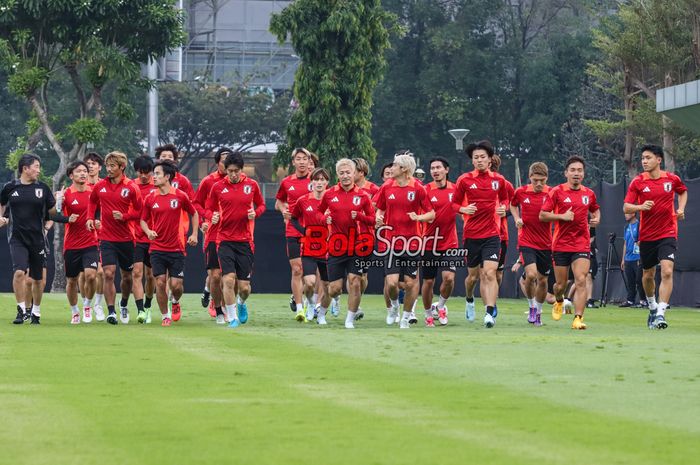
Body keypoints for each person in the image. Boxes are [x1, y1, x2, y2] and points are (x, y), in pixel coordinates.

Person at [623, 144, 687, 329]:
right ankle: (651, 307)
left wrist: (680, 209)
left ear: (659, 160)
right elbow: (626, 207)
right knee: (648, 275)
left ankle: (660, 313)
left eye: (648, 157)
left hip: (667, 233)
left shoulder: (671, 179)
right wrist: (640, 207)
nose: (644, 161)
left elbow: (682, 191)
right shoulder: (638, 182)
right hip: (647, 236)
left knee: (667, 271)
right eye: (643, 158)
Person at [452, 140, 508, 328]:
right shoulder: (464, 179)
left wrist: (503, 208)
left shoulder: (498, 180)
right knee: (473, 277)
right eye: (476, 157)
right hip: (471, 235)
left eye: (483, 157)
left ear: (490, 159)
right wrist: (463, 209)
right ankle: (469, 299)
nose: (479, 160)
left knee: (490, 273)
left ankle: (490, 312)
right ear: (472, 161)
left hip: (492, 235)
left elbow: (507, 200)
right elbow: (454, 204)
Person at [540, 155, 600, 330]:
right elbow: (543, 215)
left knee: (581, 279)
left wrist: (596, 219)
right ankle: (559, 300)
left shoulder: (589, 194)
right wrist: (562, 217)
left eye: (579, 170)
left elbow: (595, 209)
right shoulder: (556, 192)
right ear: (566, 173)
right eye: (573, 170)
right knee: (561, 285)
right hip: (560, 244)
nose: (576, 173)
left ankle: (578, 319)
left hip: (581, 243)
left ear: (583, 173)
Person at [206, 152, 265, 328]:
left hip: (245, 240)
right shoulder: (217, 187)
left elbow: (261, 205)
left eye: (236, 171)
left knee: (245, 287)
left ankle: (241, 302)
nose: (232, 174)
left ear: (241, 169)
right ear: (225, 169)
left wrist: (256, 213)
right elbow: (208, 209)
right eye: (229, 171)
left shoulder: (252, 185)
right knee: (228, 279)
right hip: (224, 240)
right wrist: (212, 216)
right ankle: (232, 318)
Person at [375, 154, 434, 329]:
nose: (390, 168)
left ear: (404, 169)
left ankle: (406, 317)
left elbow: (431, 214)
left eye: (394, 166)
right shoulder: (386, 187)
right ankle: (394, 307)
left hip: (413, 244)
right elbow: (379, 209)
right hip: (391, 243)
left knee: (410, 283)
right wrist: (378, 218)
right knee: (392, 283)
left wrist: (419, 217)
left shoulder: (418, 188)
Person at [87, 151, 143, 325]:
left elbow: (140, 211)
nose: (108, 169)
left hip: (127, 238)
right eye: (107, 166)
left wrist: (125, 216)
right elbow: (92, 202)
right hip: (106, 238)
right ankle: (111, 312)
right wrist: (90, 218)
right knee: (108, 274)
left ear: (122, 167)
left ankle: (124, 304)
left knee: (127, 277)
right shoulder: (100, 186)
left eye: (112, 166)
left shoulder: (131, 187)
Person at [317, 158, 374, 329]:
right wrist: (323, 218)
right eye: (341, 173)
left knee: (355, 281)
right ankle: (323, 311)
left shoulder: (363, 196)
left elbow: (372, 220)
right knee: (334, 288)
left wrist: (361, 217)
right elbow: (318, 214)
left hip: (356, 246)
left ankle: (349, 320)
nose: (345, 175)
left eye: (348, 172)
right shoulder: (329, 194)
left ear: (354, 173)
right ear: (337, 175)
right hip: (336, 245)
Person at [140, 161, 199, 326]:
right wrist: (148, 231)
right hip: (157, 248)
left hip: (177, 248)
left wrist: (194, 234)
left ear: (167, 177)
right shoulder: (150, 197)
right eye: (154, 173)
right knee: (159, 281)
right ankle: (165, 316)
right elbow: (143, 220)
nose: (154, 177)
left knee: (176, 285)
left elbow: (194, 214)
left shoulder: (180, 195)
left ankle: (175, 300)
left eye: (157, 174)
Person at [0, 154, 57, 324]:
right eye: (36, 166)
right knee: (19, 273)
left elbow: (52, 212)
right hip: (17, 238)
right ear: (25, 168)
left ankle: (36, 311)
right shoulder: (9, 187)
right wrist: (1, 217)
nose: (38, 171)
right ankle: (21, 310)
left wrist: (50, 223)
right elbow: (2, 203)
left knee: (37, 279)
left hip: (38, 239)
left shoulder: (43, 188)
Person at [53, 161, 99, 324]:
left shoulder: (94, 192)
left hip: (90, 242)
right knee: (72, 280)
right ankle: (75, 311)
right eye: (79, 171)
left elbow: (100, 211)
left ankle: (87, 305)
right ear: (71, 175)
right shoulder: (67, 194)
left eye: (85, 171)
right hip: (71, 244)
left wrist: (97, 221)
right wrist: (60, 203)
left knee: (91, 276)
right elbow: (53, 215)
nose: (83, 173)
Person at [510, 162, 551, 326]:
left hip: (546, 243)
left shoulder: (552, 193)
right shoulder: (520, 192)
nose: (539, 184)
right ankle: (532, 306)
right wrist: (517, 218)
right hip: (527, 241)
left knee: (542, 280)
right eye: (535, 180)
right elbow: (512, 205)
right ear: (530, 178)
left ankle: (539, 311)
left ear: (546, 178)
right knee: (531, 275)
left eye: (542, 180)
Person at [421, 157, 459, 326]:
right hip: (429, 243)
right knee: (428, 281)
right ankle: (428, 314)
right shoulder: (425, 190)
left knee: (449, 278)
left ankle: (441, 306)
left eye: (438, 168)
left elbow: (464, 207)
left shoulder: (456, 190)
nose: (435, 171)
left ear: (446, 170)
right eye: (432, 168)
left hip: (450, 243)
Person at [275, 148, 312, 320]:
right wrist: (283, 210)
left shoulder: (317, 180)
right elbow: (278, 202)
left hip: (314, 232)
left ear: (309, 161)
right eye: (299, 159)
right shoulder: (287, 182)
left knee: (311, 275)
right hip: (293, 229)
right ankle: (299, 309)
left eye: (305, 158)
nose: (302, 162)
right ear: (293, 162)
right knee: (297, 270)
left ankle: (308, 302)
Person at [291, 167, 332, 324]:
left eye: (323, 179)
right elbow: (294, 219)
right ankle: (310, 304)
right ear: (312, 182)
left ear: (327, 182)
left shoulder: (333, 199)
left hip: (329, 249)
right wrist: (304, 231)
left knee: (329, 287)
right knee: (309, 283)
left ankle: (321, 314)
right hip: (309, 248)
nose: (319, 182)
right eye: (316, 179)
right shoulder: (303, 201)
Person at [194, 147, 229, 321]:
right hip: (212, 234)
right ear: (217, 163)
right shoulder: (208, 182)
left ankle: (214, 296)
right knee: (215, 274)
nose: (228, 164)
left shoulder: (242, 182)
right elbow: (196, 204)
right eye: (224, 160)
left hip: (233, 235)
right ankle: (217, 304)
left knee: (228, 276)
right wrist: (205, 220)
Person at [132, 155, 157, 323]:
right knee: (136, 273)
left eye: (146, 172)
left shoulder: (158, 187)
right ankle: (140, 310)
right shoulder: (132, 186)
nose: (143, 176)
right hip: (135, 236)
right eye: (141, 172)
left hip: (153, 237)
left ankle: (148, 305)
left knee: (151, 275)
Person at [83, 151, 105, 317]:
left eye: (93, 163)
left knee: (100, 272)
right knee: (82, 276)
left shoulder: (104, 185)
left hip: (102, 235)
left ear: (100, 167)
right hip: (81, 235)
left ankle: (97, 304)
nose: (90, 166)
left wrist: (101, 222)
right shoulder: (80, 185)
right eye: (88, 163)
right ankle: (86, 304)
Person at [490, 155, 515, 290]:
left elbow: (515, 205)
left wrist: (506, 212)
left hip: (501, 234)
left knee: (498, 273)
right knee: (485, 272)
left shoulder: (505, 184)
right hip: (480, 234)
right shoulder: (475, 182)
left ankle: (493, 299)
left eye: (494, 165)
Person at [620, 212, 645, 308]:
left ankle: (643, 301)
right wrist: (623, 259)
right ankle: (630, 300)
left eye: (628, 213)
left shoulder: (639, 225)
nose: (625, 215)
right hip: (628, 258)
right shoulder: (626, 227)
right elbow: (625, 244)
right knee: (630, 281)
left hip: (637, 258)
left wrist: (641, 256)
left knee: (639, 280)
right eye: (625, 213)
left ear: (633, 213)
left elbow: (641, 241)